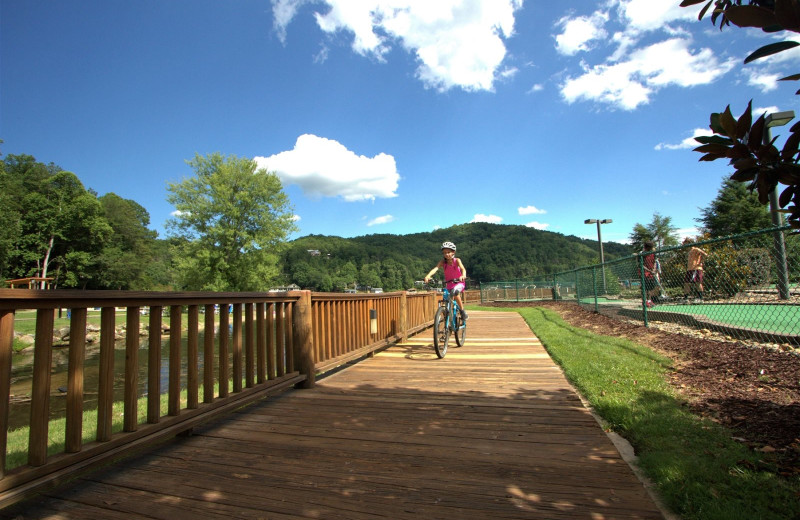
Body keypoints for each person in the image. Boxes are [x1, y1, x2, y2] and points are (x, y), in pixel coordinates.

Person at [424, 241, 468, 320]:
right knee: (446, 297)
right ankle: (448, 315)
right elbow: (436, 268)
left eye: (448, 252)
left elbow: (463, 269)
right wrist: (428, 275)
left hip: (459, 282)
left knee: (455, 292)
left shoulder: (457, 260)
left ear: (453, 252)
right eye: (444, 253)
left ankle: (462, 310)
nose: (446, 254)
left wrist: (463, 275)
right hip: (449, 284)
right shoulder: (442, 262)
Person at [641, 241, 660, 308]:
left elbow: (655, 262)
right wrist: (649, 270)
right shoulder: (642, 254)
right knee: (645, 288)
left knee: (651, 288)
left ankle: (649, 300)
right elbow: (641, 265)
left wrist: (654, 269)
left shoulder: (653, 254)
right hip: (644, 273)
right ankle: (645, 301)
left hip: (651, 273)